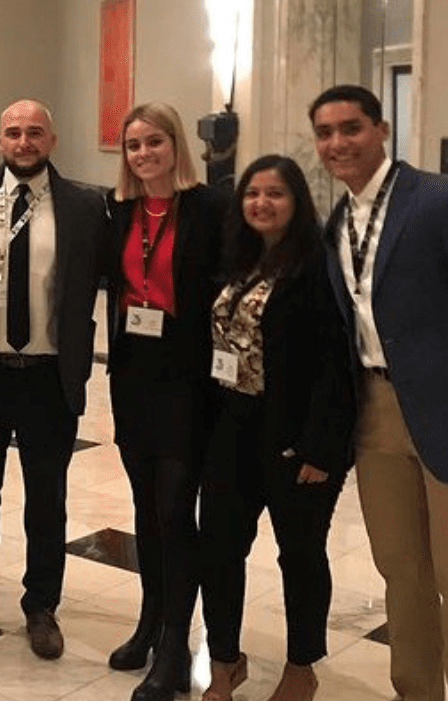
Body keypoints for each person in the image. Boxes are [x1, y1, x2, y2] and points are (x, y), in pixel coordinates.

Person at [0, 99, 107, 659]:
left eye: (35, 132)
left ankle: (41, 606)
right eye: (13, 132)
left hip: (46, 376)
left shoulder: (85, 205)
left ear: (52, 140)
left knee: (46, 498)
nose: (24, 142)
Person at [198, 155, 354, 701]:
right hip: (233, 425)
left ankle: (302, 666)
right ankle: (224, 658)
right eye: (252, 193)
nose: (261, 203)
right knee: (217, 546)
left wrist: (321, 446)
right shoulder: (237, 258)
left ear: (298, 202)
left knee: (301, 552)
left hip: (294, 436)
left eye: (276, 194)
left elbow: (337, 363)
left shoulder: (318, 265)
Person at [311, 84, 448, 701]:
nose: (339, 142)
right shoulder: (336, 220)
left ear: (382, 130)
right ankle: (416, 690)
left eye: (352, 127)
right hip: (375, 411)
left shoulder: (434, 201)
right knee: (401, 569)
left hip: (442, 406)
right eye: (326, 132)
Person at [105, 102, 227, 701]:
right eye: (133, 145)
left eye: (154, 142)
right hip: (133, 380)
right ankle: (150, 624)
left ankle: (177, 645)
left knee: (177, 513)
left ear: (176, 146)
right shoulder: (121, 209)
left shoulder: (209, 209)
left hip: (188, 382)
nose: (144, 153)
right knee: (145, 510)